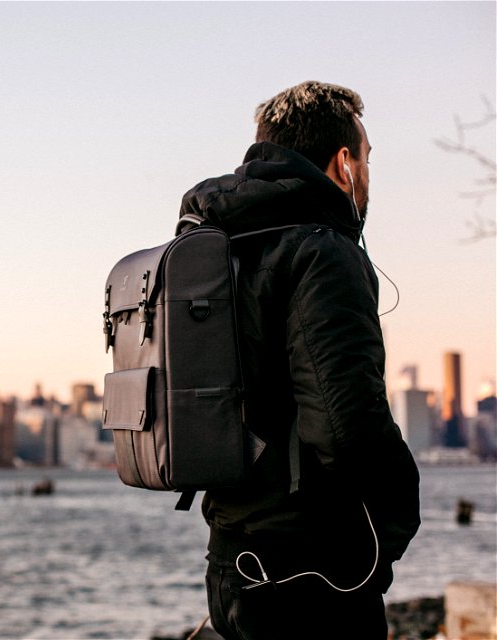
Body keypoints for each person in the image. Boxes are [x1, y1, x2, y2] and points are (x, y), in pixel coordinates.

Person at [179, 81, 421, 639]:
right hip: (312, 574)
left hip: (230, 559)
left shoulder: (219, 246)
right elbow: (344, 426)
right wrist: (395, 520)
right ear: (344, 163)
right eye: (366, 158)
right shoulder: (323, 251)